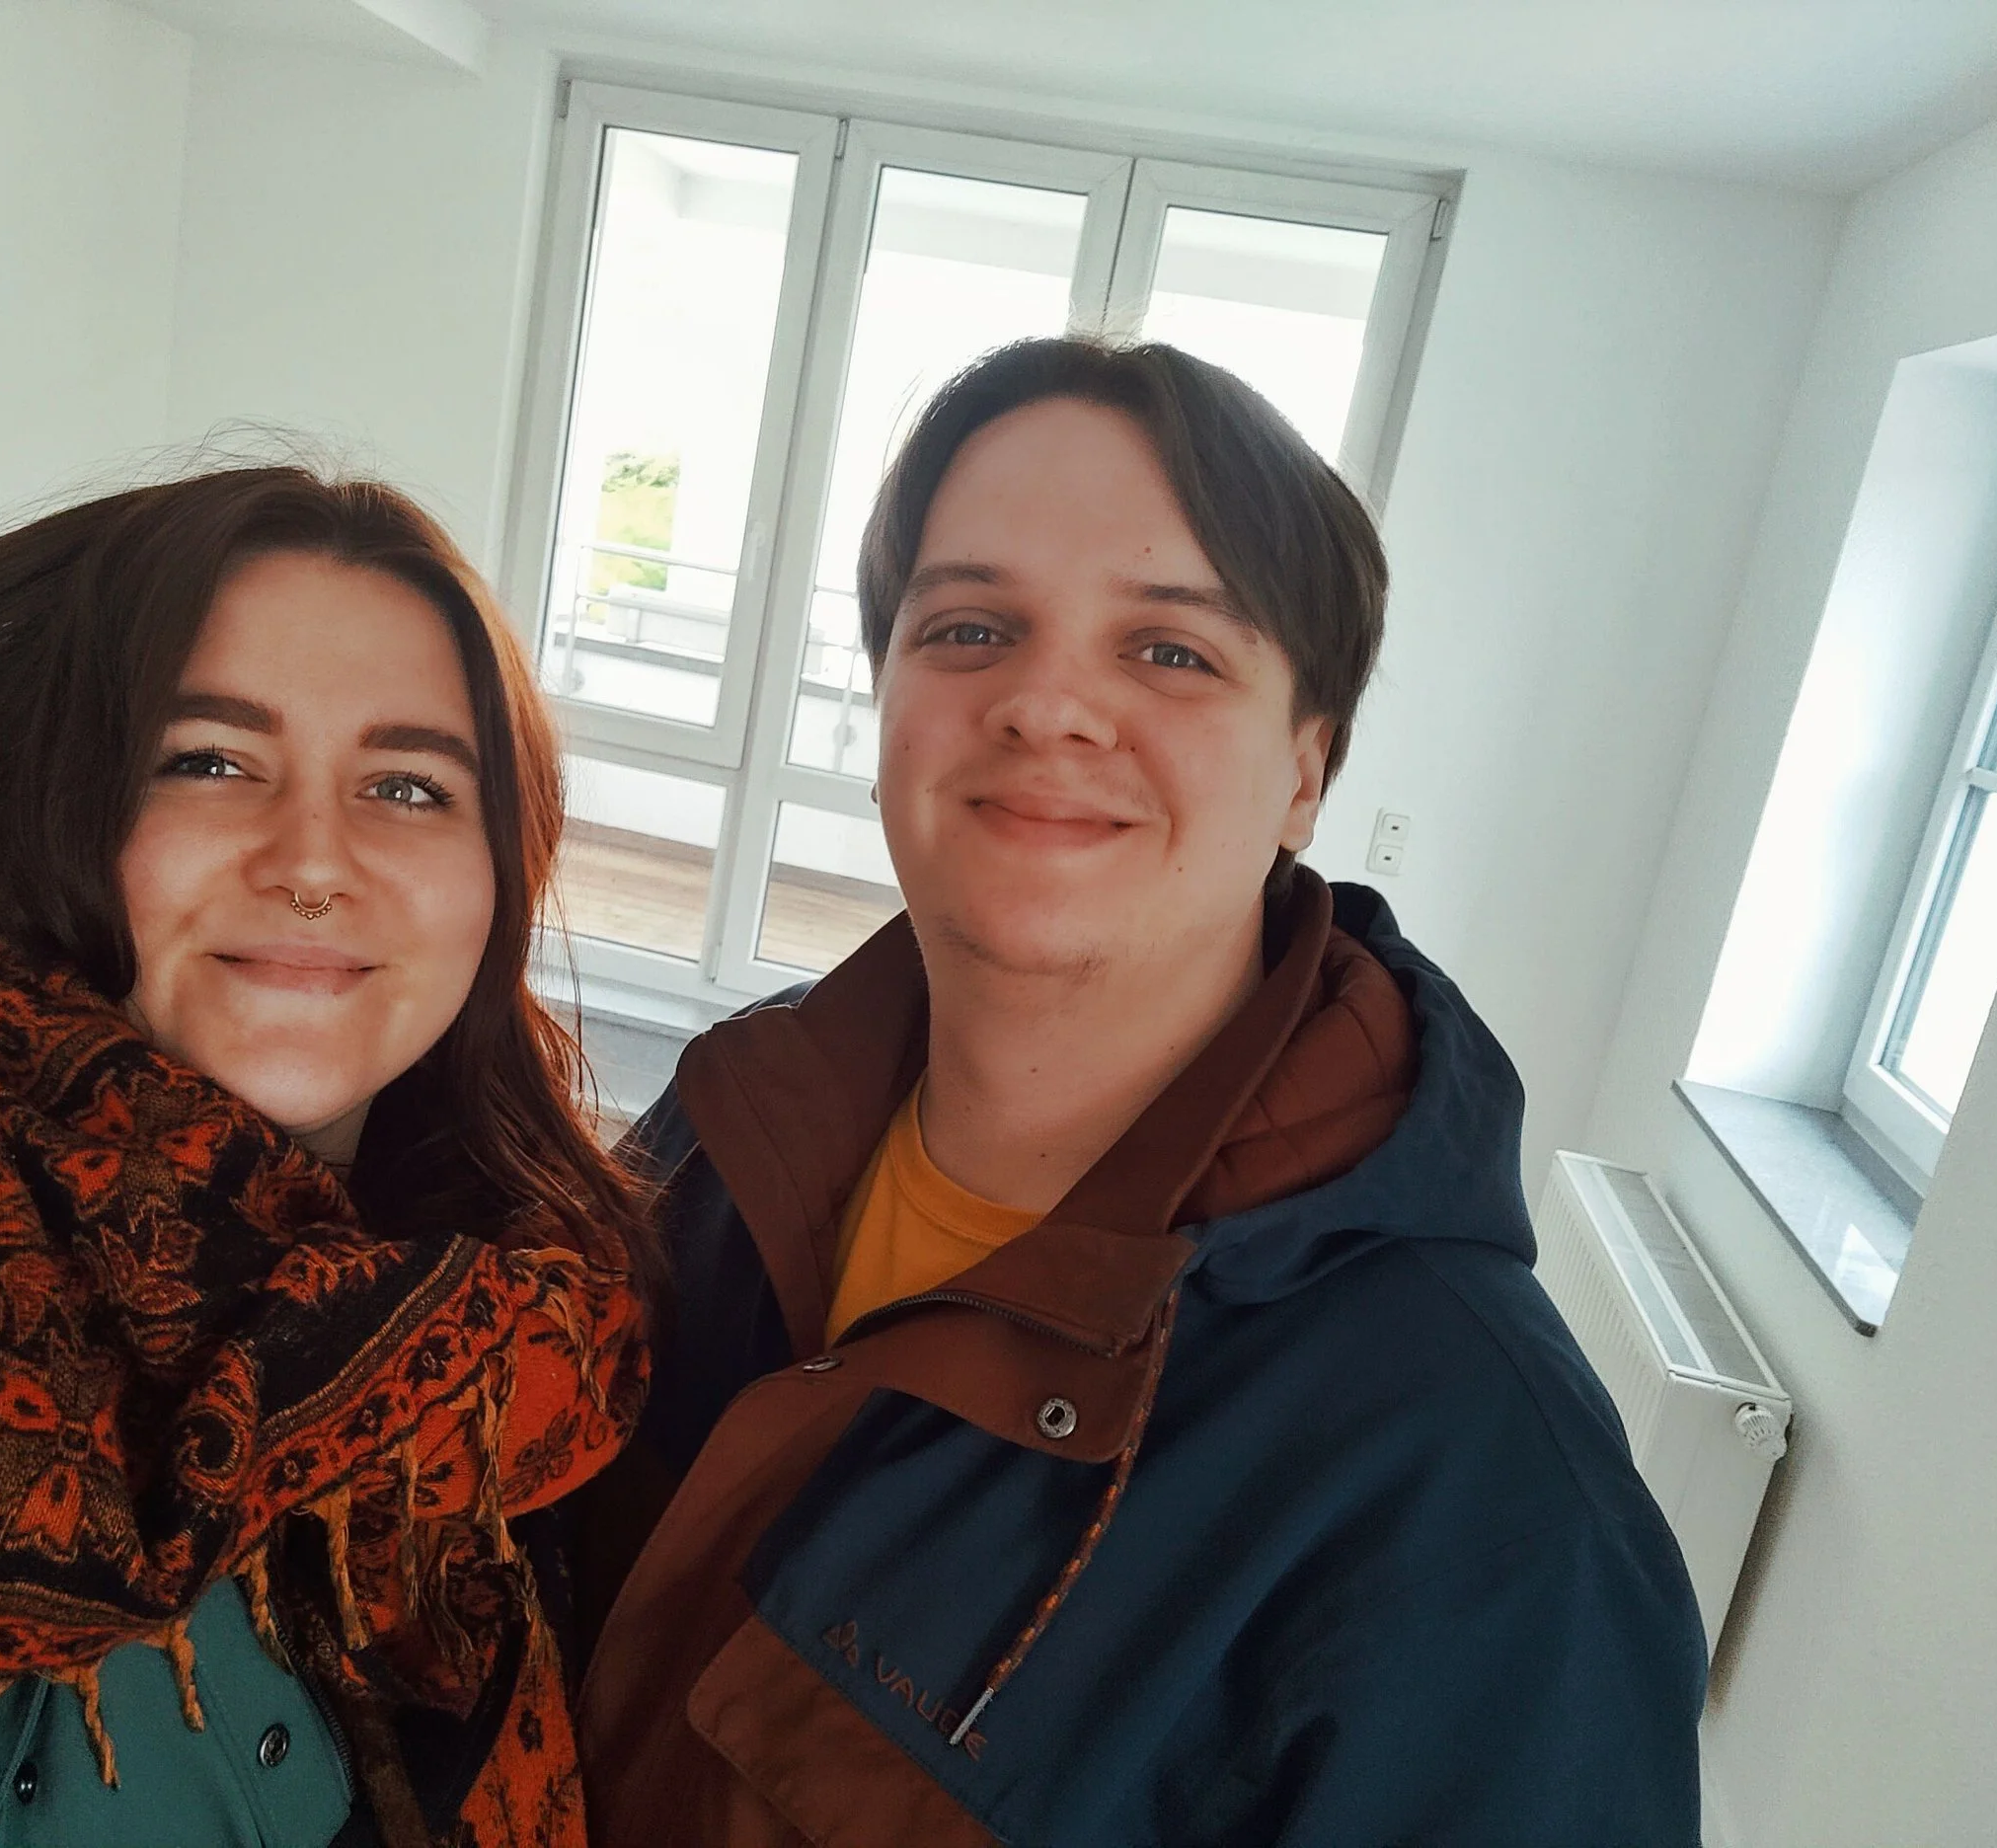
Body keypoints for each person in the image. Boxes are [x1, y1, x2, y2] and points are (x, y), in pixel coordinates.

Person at [567, 339, 1708, 1846]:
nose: (1047, 705)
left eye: (1171, 652)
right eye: (971, 628)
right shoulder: (729, 1131)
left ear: (1306, 771)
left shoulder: (1483, 1508)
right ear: (887, 700)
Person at [0, 467, 653, 1848]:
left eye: (407, 785)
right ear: (56, 808)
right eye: (208, 761)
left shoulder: (517, 1303)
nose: (314, 863)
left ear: (502, 874)